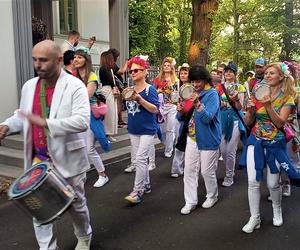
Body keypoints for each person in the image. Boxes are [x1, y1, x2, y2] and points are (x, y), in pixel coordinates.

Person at [0, 40, 92, 249]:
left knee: (76, 205)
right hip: (38, 159)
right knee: (40, 208)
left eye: (43, 60)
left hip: (68, 160)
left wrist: (46, 123)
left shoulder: (75, 86)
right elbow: (22, 116)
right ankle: (47, 247)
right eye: (35, 60)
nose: (37, 65)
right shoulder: (29, 86)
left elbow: (82, 121)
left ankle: (84, 236)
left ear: (59, 60)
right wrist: (6, 125)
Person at [241, 62, 298, 233]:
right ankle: (254, 218)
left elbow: (280, 122)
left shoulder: (287, 98)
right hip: (256, 141)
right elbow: (247, 122)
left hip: (275, 143)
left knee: (273, 183)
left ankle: (277, 209)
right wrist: (250, 111)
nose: (267, 75)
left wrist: (267, 106)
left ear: (281, 76)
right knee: (252, 182)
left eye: (271, 73)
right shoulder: (258, 93)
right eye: (266, 73)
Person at [179, 65, 222, 215]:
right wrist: (180, 110)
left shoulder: (212, 95)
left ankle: (212, 195)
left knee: (206, 171)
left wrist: (197, 104)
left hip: (208, 138)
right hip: (191, 138)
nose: (196, 84)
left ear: (205, 79)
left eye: (199, 81)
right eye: (193, 81)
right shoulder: (190, 93)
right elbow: (183, 117)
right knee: (189, 171)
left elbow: (208, 118)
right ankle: (190, 201)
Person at [124, 56, 159, 203]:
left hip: (147, 129)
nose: (132, 73)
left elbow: (155, 109)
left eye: (136, 70)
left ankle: (137, 191)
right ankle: (147, 185)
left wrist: (139, 99)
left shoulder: (150, 90)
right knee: (141, 159)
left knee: (139, 159)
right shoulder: (129, 90)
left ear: (144, 72)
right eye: (131, 71)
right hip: (133, 129)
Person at [73, 47, 109, 188]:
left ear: (86, 60)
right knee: (81, 148)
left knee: (89, 149)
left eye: (80, 57)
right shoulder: (74, 76)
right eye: (75, 57)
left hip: (91, 117)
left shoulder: (92, 76)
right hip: (78, 116)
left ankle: (103, 175)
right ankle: (82, 175)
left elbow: (84, 97)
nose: (76, 59)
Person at [215, 63, 246, 187]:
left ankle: (229, 175)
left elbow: (240, 107)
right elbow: (215, 105)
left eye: (231, 71)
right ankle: (228, 172)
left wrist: (236, 99)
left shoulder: (240, 87)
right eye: (226, 71)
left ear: (235, 74)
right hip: (222, 120)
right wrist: (220, 105)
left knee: (231, 150)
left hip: (234, 120)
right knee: (223, 150)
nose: (228, 73)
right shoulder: (218, 88)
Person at [153, 57, 179, 158]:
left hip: (172, 106)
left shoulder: (176, 80)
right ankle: (165, 142)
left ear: (172, 67)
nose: (166, 67)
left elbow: (178, 93)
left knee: (170, 129)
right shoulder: (158, 79)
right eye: (165, 65)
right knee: (162, 130)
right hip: (161, 107)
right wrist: (158, 92)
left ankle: (168, 150)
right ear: (162, 67)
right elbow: (153, 91)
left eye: (168, 65)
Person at [171, 63, 192, 178]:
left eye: (185, 73)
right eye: (181, 73)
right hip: (179, 117)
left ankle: (185, 167)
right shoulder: (176, 86)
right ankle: (177, 168)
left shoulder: (191, 88)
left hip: (188, 118)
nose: (183, 75)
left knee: (188, 143)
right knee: (178, 141)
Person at [99, 51, 119, 142]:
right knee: (109, 113)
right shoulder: (103, 69)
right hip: (107, 90)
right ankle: (106, 133)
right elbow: (110, 81)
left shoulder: (109, 69)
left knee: (112, 112)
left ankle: (110, 133)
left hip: (110, 90)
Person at [108, 48, 128, 127]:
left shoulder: (110, 64)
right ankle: (118, 120)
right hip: (116, 86)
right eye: (117, 56)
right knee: (118, 104)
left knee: (119, 103)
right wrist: (126, 62)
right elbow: (121, 71)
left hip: (116, 86)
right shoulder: (112, 64)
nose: (117, 58)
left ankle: (120, 119)